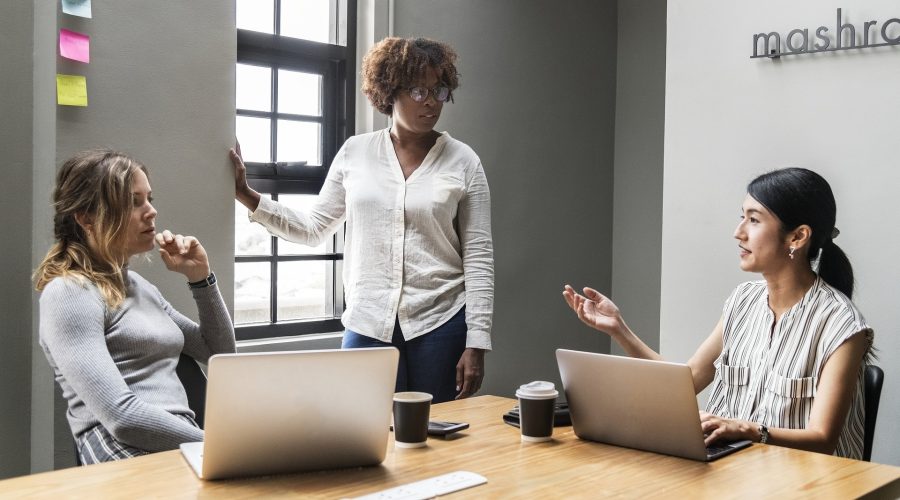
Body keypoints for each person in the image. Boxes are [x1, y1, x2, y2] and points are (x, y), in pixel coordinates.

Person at [229, 37, 493, 403]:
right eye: (419, 90)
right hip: (369, 319)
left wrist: (477, 342)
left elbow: (478, 258)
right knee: (363, 433)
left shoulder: (464, 161)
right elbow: (313, 228)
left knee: (437, 439)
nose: (432, 101)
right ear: (389, 91)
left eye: (439, 90)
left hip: (441, 322)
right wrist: (247, 194)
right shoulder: (356, 152)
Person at [563, 167, 873, 459]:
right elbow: (686, 382)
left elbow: (822, 438)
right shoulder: (742, 301)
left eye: (754, 220)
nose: (738, 232)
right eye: (743, 217)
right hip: (733, 473)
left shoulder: (841, 324)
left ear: (797, 237)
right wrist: (619, 330)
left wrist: (746, 430)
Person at [34, 149, 235, 464]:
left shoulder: (141, 288)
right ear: (86, 217)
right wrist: (220, 444)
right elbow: (122, 417)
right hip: (121, 447)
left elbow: (219, 352)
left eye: (149, 199)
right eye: (133, 202)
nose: (151, 211)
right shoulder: (69, 293)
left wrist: (201, 279)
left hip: (179, 438)